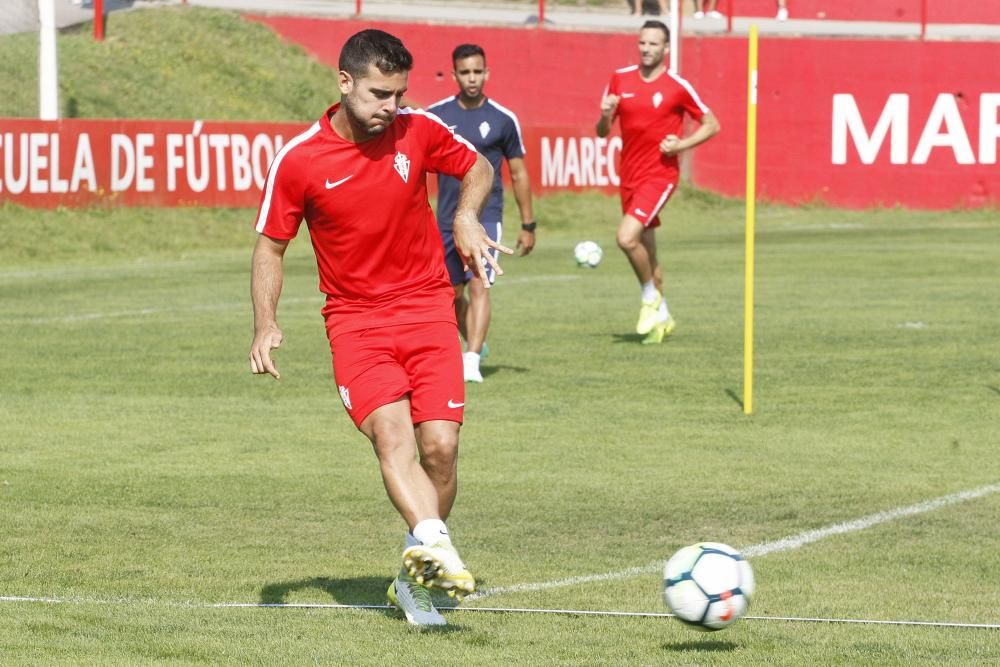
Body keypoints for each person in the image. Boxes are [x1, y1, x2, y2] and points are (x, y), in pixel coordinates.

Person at [249, 29, 510, 627]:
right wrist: (265, 323)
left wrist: (467, 214)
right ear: (344, 83)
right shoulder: (300, 159)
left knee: (441, 451)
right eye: (378, 94)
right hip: (357, 322)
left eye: (398, 94)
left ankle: (413, 572)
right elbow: (270, 247)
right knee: (393, 439)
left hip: (427, 309)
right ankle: (437, 547)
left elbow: (476, 167)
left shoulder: (416, 130)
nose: (390, 107)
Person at [596, 20, 720, 344]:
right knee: (648, 254)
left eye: (654, 44)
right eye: (643, 43)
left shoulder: (677, 86)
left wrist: (681, 145)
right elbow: (601, 131)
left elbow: (712, 123)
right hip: (629, 177)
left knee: (626, 238)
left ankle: (649, 297)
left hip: (660, 175)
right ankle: (662, 319)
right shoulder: (620, 79)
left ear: (666, 49)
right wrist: (606, 115)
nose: (647, 49)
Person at [427, 44, 536, 384]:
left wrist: (529, 224)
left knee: (479, 286)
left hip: (487, 218)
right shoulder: (437, 116)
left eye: (477, 71)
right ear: (455, 74)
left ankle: (471, 360)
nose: (472, 78)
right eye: (465, 72)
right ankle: (475, 340)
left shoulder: (503, 119)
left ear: (486, 73)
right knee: (451, 295)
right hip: (447, 218)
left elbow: (519, 173)